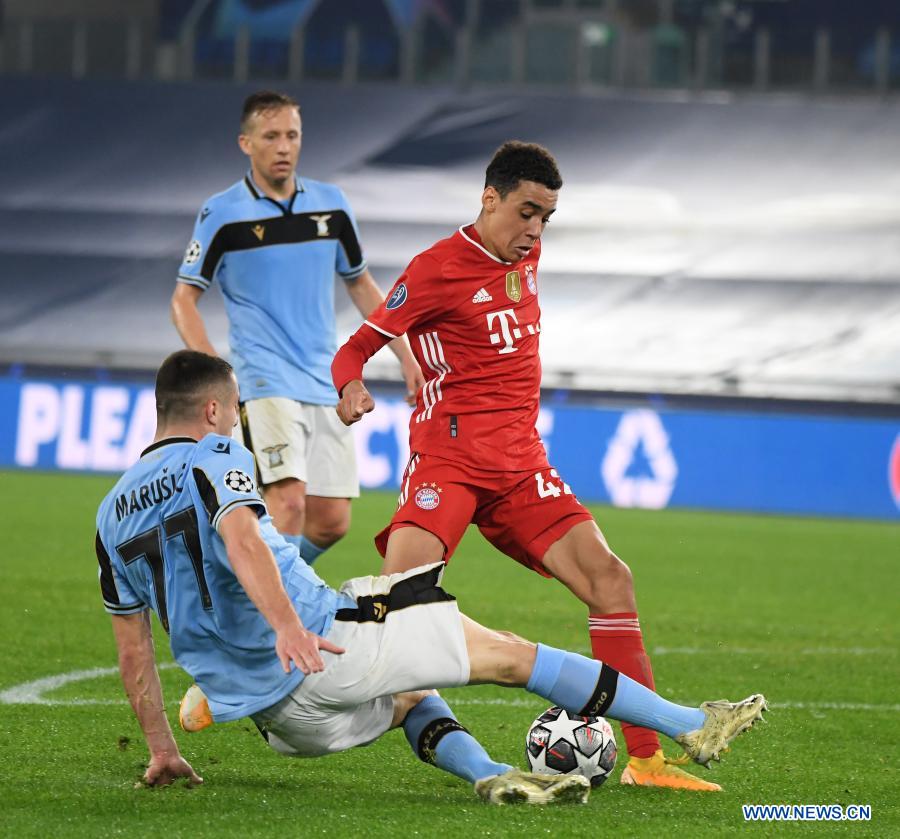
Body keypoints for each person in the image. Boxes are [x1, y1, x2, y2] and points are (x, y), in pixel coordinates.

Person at [95, 350, 766, 803]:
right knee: (509, 653)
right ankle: (690, 724)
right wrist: (287, 627)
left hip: (281, 721)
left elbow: (134, 650)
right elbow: (242, 538)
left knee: (412, 693)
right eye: (235, 406)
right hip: (323, 646)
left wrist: (162, 748)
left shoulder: (109, 516)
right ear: (214, 412)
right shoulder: (215, 455)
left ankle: (493, 775)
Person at [331, 142, 731, 792]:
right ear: (489, 199)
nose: (536, 230)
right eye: (526, 212)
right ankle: (276, 672)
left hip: (521, 464)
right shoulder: (435, 269)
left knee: (611, 580)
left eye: (546, 217)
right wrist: (350, 386)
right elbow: (354, 349)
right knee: (395, 608)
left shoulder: (526, 253)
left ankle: (648, 761)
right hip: (449, 461)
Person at [171, 89, 423, 566]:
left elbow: (362, 284)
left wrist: (406, 357)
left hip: (325, 379)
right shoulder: (222, 213)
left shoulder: (331, 206)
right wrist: (217, 373)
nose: (284, 147)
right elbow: (183, 300)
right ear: (246, 143)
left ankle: (253, 586)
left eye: (292, 135)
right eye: (271, 136)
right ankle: (271, 606)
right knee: (287, 505)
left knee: (331, 522)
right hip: (263, 378)